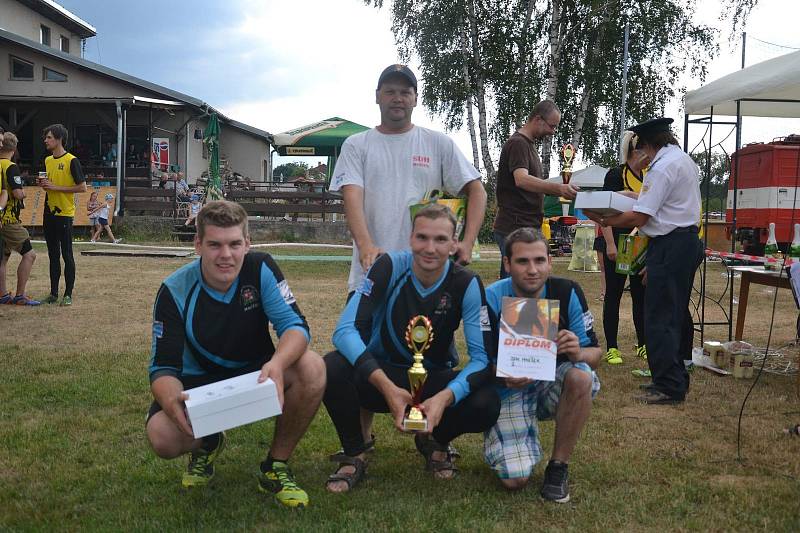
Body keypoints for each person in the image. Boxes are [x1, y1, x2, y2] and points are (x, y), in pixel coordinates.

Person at [146, 200, 325, 508]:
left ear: (247, 244)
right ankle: (208, 441)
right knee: (162, 436)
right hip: (198, 385)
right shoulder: (174, 289)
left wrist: (278, 364)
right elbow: (163, 369)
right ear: (198, 244)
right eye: (214, 245)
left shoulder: (261, 267)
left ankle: (275, 466)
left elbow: (296, 327)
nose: (225, 255)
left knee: (312, 366)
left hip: (256, 375)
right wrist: (172, 401)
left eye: (234, 244)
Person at [323, 204, 499, 492]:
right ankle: (355, 454)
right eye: (422, 238)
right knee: (332, 367)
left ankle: (435, 442)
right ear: (410, 238)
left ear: (454, 243)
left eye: (441, 239)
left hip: (432, 381)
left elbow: (482, 359)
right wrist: (388, 389)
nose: (430, 248)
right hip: (384, 378)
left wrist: (444, 398)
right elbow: (344, 332)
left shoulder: (466, 283)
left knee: (486, 399)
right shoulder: (388, 266)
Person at [330, 63, 487, 294]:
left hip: (426, 275)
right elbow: (351, 197)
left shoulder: (438, 143)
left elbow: (478, 191)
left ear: (415, 99)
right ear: (377, 97)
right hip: (371, 271)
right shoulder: (356, 145)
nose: (398, 98)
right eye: (390, 91)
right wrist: (365, 246)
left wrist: (468, 241)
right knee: (360, 331)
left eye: (405, 92)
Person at [586, 118, 703, 405]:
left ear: (646, 146)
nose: (639, 156)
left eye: (639, 149)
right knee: (671, 313)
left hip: (670, 244)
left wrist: (603, 218)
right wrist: (629, 196)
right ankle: (671, 378)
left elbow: (641, 217)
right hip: (683, 242)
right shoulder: (681, 160)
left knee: (660, 316)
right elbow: (658, 201)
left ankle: (669, 386)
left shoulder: (661, 168)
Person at [483, 227, 600, 503]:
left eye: (539, 260)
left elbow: (596, 354)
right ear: (507, 264)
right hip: (508, 391)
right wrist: (502, 377)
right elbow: (479, 364)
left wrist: (577, 353)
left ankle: (558, 467)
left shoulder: (568, 291)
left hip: (552, 384)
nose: (532, 269)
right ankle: (511, 440)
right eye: (523, 261)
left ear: (549, 260)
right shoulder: (491, 297)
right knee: (515, 479)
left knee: (582, 376)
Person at [493, 100, 578, 278]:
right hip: (515, 227)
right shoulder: (518, 144)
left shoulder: (528, 145)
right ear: (538, 119)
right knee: (517, 287)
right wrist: (558, 189)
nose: (552, 132)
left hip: (524, 225)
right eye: (552, 126)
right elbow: (522, 180)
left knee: (528, 285)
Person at [598, 131, 650, 366]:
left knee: (641, 295)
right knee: (614, 295)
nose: (649, 156)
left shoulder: (650, 175)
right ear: (634, 151)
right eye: (645, 150)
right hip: (617, 241)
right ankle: (612, 347)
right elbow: (604, 211)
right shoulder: (616, 174)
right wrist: (609, 243)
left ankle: (642, 344)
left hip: (641, 244)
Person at [41, 124, 87, 306]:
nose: (46, 140)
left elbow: (82, 187)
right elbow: (50, 185)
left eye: (49, 137)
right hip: (48, 212)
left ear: (59, 139)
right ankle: (53, 293)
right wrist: (44, 185)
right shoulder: (47, 160)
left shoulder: (71, 160)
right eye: (46, 137)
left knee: (67, 254)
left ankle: (68, 294)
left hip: (65, 213)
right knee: (52, 254)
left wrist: (56, 187)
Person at [0, 132, 40, 306]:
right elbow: (16, 192)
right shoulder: (10, 167)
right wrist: (23, 193)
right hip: (8, 219)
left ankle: (2, 295)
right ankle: (20, 295)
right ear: (14, 148)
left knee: (3, 258)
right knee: (29, 254)